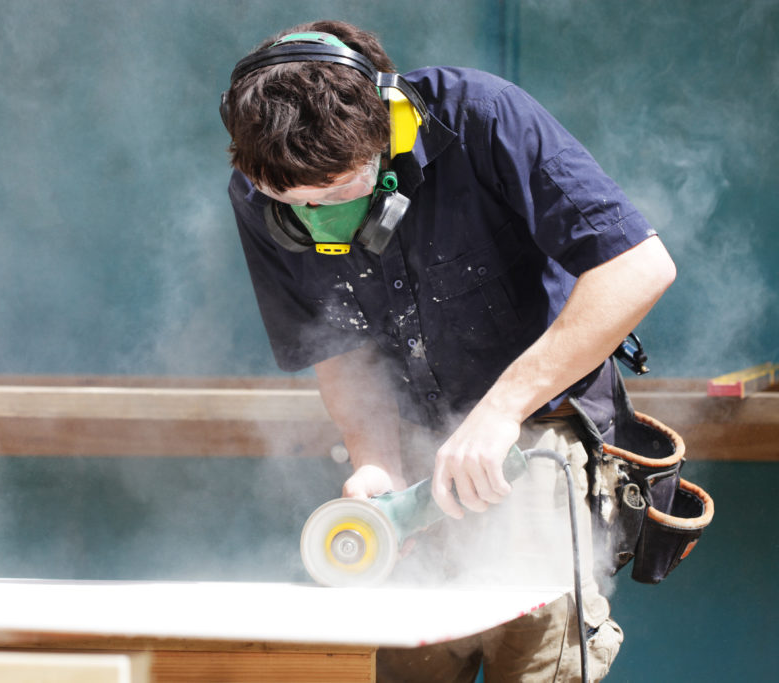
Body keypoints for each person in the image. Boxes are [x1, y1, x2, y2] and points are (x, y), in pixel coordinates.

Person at [221, 19, 675, 682]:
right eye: (297, 202)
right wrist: (375, 464)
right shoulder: (259, 187)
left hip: (534, 427)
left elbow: (639, 267)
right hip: (414, 436)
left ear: (389, 130)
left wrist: (498, 413)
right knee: (415, 655)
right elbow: (339, 343)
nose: (320, 217)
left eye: (342, 189)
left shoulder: (482, 118)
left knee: (533, 649)